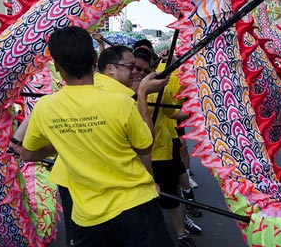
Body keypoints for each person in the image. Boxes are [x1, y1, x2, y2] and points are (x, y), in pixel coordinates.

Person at [20, 27, 173, 247]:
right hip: (136, 207)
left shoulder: (45, 107)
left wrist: (62, 143)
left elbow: (27, 153)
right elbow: (145, 145)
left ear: (57, 66)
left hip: (88, 216)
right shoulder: (121, 103)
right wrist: (141, 96)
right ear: (95, 59)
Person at [132, 49, 200, 247]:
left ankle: (181, 234)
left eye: (145, 70)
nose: (139, 74)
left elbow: (175, 114)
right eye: (134, 68)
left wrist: (195, 106)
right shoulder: (116, 94)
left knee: (171, 194)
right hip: (132, 158)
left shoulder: (161, 89)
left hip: (160, 152)